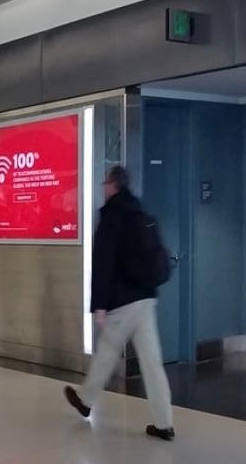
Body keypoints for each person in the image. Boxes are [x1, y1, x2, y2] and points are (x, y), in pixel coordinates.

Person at [64, 165, 175, 441]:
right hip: (146, 297)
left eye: (104, 183)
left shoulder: (112, 215)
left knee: (106, 352)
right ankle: (164, 423)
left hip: (123, 300)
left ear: (112, 184)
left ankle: (86, 400)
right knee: (152, 362)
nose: (103, 188)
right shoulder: (139, 211)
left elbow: (103, 263)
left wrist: (98, 304)